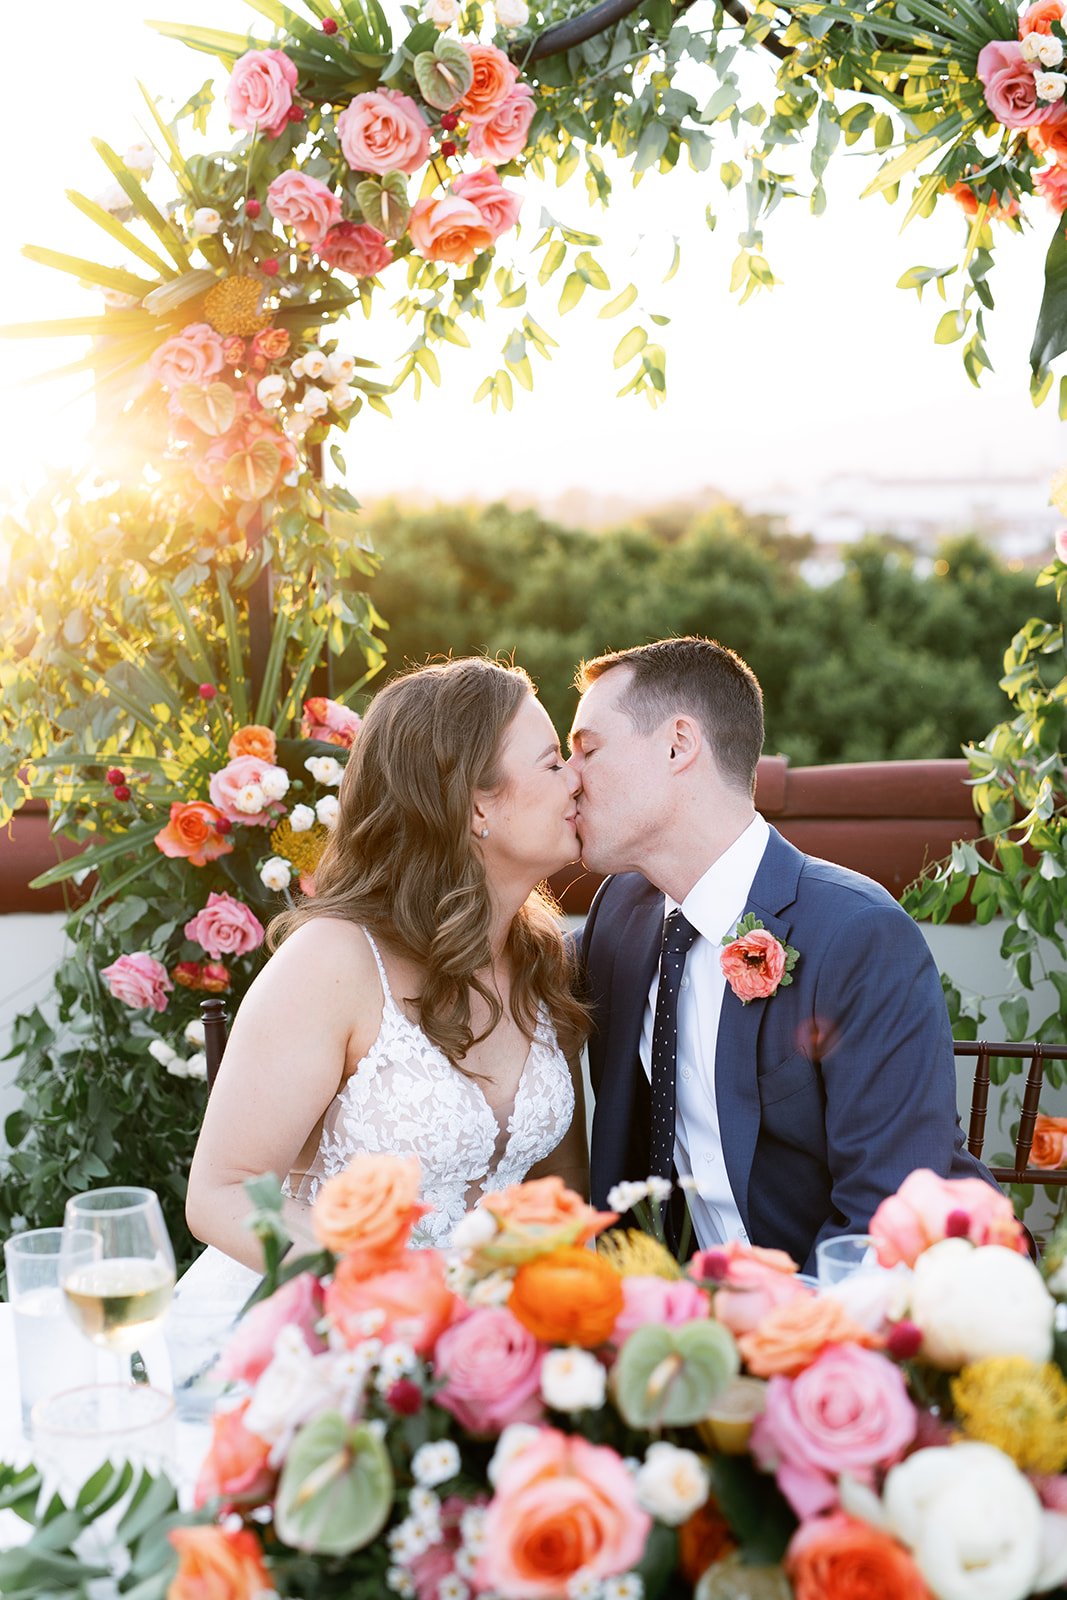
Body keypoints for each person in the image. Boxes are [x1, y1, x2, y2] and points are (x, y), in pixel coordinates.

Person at [568, 636, 995, 1274]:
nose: (570, 779)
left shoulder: (857, 934)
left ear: (679, 744)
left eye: (588, 750)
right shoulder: (620, 916)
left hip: (871, 1309)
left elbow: (885, 1214)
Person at [181, 657, 589, 1301]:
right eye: (552, 761)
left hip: (479, 1346)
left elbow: (559, 1186)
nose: (577, 781)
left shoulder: (544, 960)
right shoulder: (332, 964)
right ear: (476, 803)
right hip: (320, 1326)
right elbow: (221, 1195)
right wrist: (389, 1299)